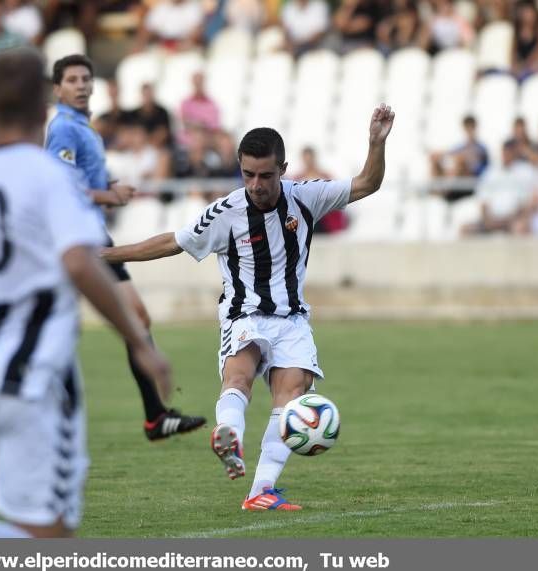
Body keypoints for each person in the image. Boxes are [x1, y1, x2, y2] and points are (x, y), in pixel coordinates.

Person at [101, 104, 395, 510]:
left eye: (266, 175)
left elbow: (367, 183)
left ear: (283, 168)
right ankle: (229, 433)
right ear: (240, 169)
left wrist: (376, 143)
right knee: (239, 374)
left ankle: (259, 492)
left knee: (291, 397)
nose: (256, 184)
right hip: (244, 314)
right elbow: (172, 242)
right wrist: (108, 256)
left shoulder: (306, 197)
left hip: (292, 319)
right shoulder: (226, 212)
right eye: (248, 174)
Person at [0, 48, 171, 538]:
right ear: (42, 108)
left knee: (28, 524)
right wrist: (139, 342)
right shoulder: (49, 176)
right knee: (51, 539)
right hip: (31, 384)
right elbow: (79, 260)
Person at [45, 54, 204, 440]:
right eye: (72, 79)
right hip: (76, 236)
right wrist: (108, 195)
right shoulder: (64, 129)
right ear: (58, 88)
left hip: (93, 233)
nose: (82, 84)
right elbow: (58, 184)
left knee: (135, 318)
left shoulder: (86, 128)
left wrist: (107, 187)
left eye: (86, 77)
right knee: (59, 329)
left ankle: (155, 418)